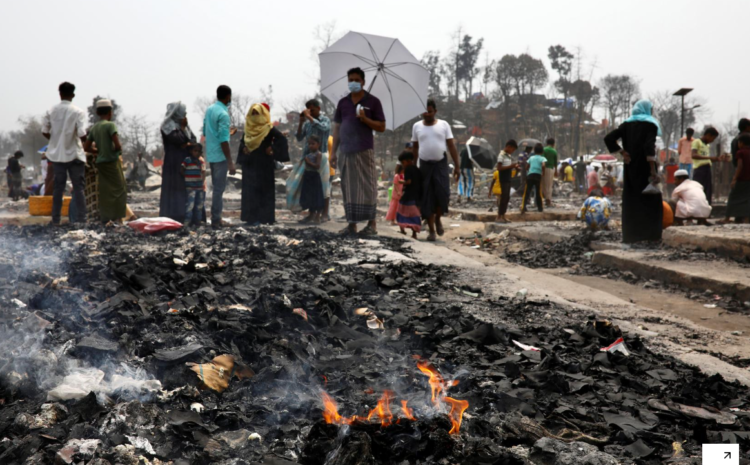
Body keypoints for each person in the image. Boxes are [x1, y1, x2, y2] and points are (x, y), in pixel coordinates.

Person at [331, 67, 386, 236]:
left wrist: (365, 119)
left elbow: (381, 126)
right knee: (348, 188)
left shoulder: (373, 102)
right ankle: (352, 225)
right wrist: (333, 152)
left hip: (364, 149)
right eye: (350, 80)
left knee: (368, 186)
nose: (353, 83)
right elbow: (337, 127)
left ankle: (372, 225)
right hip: (345, 150)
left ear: (363, 81)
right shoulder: (343, 103)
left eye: (356, 80)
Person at [604, 99, 663, 243]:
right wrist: (653, 171)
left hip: (630, 167)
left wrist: (623, 152)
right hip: (645, 168)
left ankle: (631, 235)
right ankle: (650, 235)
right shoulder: (650, 124)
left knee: (632, 199)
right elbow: (649, 147)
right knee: (650, 200)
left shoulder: (626, 124)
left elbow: (609, 138)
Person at [412, 99, 460, 241]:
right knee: (427, 198)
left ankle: (438, 218)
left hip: (440, 165)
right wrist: (414, 167)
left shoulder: (443, 125)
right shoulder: (416, 126)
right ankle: (432, 231)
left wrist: (457, 166)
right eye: (424, 111)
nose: (427, 114)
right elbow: (415, 147)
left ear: (435, 111)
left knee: (442, 195)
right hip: (424, 167)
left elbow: (451, 146)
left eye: (430, 111)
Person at [41, 81, 87, 225]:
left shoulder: (50, 111)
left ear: (60, 93)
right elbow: (81, 133)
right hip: (74, 154)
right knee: (78, 188)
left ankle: (56, 220)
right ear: (73, 95)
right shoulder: (78, 112)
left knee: (58, 188)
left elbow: (44, 131)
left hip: (57, 156)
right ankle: (82, 220)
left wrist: (55, 141)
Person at [237, 103, 288, 225]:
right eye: (253, 113)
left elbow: (282, 139)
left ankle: (265, 218)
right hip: (250, 165)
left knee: (264, 191)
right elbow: (243, 142)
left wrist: (272, 148)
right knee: (250, 191)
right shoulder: (248, 128)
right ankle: (251, 218)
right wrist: (244, 148)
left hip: (264, 164)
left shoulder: (269, 128)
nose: (255, 116)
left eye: (257, 113)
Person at [84, 99, 127, 223]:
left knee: (105, 191)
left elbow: (86, 147)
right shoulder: (110, 125)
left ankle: (106, 218)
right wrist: (116, 151)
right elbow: (117, 145)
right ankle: (118, 219)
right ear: (110, 112)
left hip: (101, 163)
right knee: (120, 190)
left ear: (97, 112)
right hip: (112, 162)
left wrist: (98, 151)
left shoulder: (94, 128)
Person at [203, 85, 237, 229]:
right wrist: (230, 162)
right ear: (228, 96)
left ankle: (216, 217)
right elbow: (223, 140)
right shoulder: (223, 114)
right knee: (218, 190)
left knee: (216, 189)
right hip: (220, 155)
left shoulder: (210, 110)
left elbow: (205, 131)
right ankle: (216, 219)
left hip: (211, 154)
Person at [159, 102, 198, 223]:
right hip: (173, 162)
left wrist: (185, 136)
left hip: (185, 161)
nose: (185, 114)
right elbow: (179, 139)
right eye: (183, 112)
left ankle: (187, 216)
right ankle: (173, 217)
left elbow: (193, 140)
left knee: (186, 188)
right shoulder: (167, 125)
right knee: (174, 188)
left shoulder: (184, 126)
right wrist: (182, 131)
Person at [296, 99, 332, 221]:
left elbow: (324, 129)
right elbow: (299, 137)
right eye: (308, 110)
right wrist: (301, 122)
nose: (310, 112)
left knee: (324, 185)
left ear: (319, 108)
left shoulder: (325, 120)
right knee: (310, 187)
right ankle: (311, 213)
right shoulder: (307, 124)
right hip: (308, 157)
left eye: (312, 110)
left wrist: (309, 118)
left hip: (321, 156)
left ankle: (325, 214)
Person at [299, 135, 325, 224]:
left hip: (314, 177)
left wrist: (308, 162)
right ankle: (311, 215)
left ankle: (317, 217)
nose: (311, 146)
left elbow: (317, 166)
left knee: (316, 197)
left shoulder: (318, 154)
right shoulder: (308, 154)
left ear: (318, 144)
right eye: (309, 144)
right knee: (309, 197)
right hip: (308, 176)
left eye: (313, 144)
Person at [396, 151, 422, 239]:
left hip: (409, 194)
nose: (403, 165)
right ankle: (414, 233)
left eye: (403, 162)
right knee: (414, 214)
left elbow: (408, 182)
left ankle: (402, 229)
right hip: (417, 194)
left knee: (401, 209)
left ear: (407, 161)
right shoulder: (416, 169)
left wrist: (401, 181)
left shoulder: (408, 169)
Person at [691, 127, 721, 205]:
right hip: (699, 170)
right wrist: (709, 158)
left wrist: (717, 159)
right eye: (713, 138)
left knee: (707, 190)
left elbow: (707, 159)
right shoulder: (697, 142)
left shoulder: (707, 146)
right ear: (708, 135)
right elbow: (693, 155)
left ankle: (706, 208)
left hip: (707, 169)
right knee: (698, 190)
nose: (712, 140)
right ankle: (696, 207)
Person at [180, 143, 206, 227]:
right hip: (190, 187)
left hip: (199, 186)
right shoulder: (187, 160)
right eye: (195, 151)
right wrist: (187, 178)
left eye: (199, 151)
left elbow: (203, 172)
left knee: (199, 205)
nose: (197, 153)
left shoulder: (200, 161)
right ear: (191, 151)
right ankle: (187, 222)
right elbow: (181, 170)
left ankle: (198, 221)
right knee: (190, 205)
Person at [726, 134, 750, 223]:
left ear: (741, 143)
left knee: (733, 197)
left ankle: (727, 218)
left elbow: (739, 166)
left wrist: (735, 178)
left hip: (741, 179)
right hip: (748, 180)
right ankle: (747, 218)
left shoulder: (740, 152)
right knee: (747, 198)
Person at [495, 140, 518, 223]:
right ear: (509, 147)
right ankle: (499, 216)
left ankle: (503, 215)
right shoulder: (501, 155)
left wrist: (514, 167)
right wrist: (511, 166)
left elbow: (507, 166)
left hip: (508, 178)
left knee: (507, 197)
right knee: (503, 197)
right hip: (503, 178)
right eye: (513, 150)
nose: (513, 151)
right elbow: (499, 168)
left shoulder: (508, 155)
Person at [520, 143, 546, 213]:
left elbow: (527, 167)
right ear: (542, 151)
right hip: (538, 176)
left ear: (534, 151)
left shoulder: (531, 157)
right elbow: (543, 165)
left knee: (527, 192)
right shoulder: (542, 158)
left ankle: (523, 207)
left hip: (530, 175)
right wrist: (543, 172)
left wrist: (528, 170)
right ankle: (540, 208)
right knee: (538, 192)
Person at [542, 138, 558, 207]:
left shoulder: (544, 149)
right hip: (550, 169)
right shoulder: (554, 151)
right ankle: (548, 200)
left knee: (543, 184)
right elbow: (555, 162)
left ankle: (544, 198)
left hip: (543, 168)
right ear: (553, 144)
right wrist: (556, 171)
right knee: (549, 185)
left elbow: (542, 160)